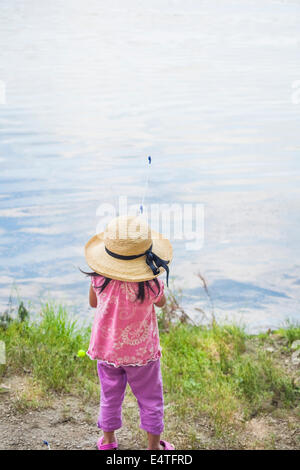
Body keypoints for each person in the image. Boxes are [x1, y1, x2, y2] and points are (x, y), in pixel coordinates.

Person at [83, 215, 174, 450]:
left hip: (108, 351)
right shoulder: (151, 283)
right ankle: (154, 448)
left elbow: (94, 303)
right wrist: (154, 278)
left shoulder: (98, 277)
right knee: (151, 399)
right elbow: (162, 303)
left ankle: (108, 441)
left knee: (110, 397)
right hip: (142, 354)